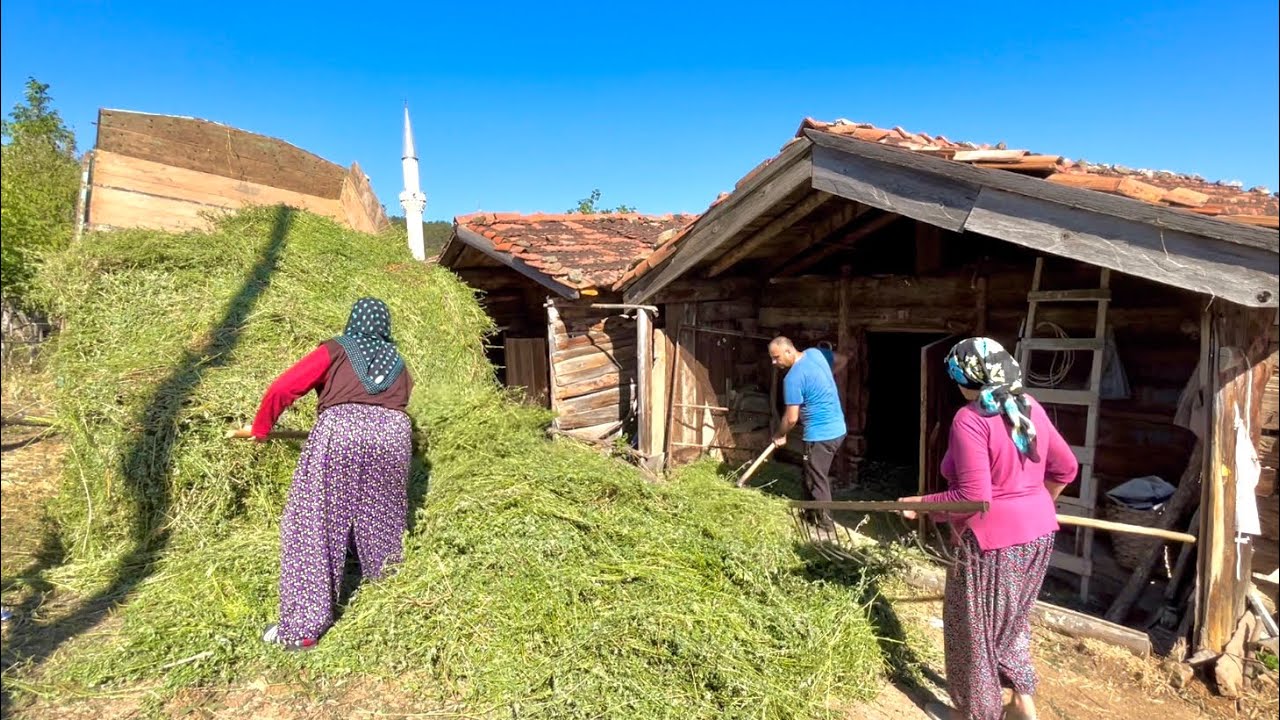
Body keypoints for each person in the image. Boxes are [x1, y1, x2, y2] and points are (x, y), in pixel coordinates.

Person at [898, 337, 1078, 720]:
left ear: (967, 379)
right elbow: (1066, 469)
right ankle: (1021, 702)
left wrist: (919, 505)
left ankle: (974, 715)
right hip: (1039, 534)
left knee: (972, 633)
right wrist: (1038, 504)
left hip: (990, 545)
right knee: (1011, 624)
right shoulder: (1030, 407)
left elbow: (971, 498)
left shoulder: (971, 419)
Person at [247, 297, 414, 651]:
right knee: (382, 519)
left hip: (341, 433)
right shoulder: (400, 364)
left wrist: (262, 427)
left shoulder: (337, 349)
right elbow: (399, 401)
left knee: (314, 523)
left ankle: (302, 629)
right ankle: (397, 599)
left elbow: (284, 387)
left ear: (353, 321)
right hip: (393, 437)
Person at [768, 336, 847, 530]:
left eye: (776, 357)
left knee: (816, 478)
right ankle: (810, 515)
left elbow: (791, 418)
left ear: (789, 351)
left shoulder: (792, 378)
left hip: (821, 434)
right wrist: (823, 382)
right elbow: (842, 359)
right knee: (810, 472)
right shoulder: (815, 354)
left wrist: (780, 434)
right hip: (838, 429)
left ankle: (825, 526)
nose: (774, 362)